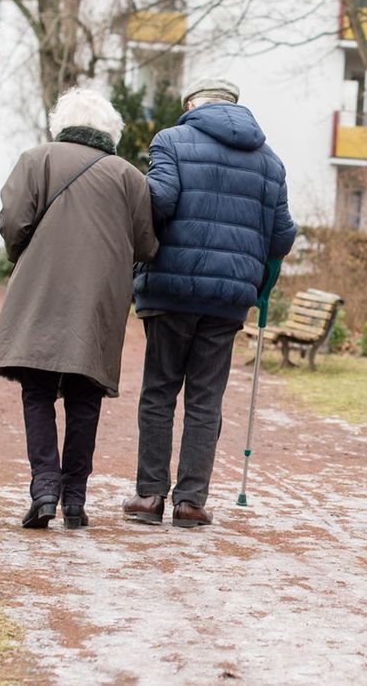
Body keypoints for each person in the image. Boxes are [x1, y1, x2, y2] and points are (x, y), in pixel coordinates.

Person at [123, 77, 296, 528]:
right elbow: (282, 237)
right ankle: (190, 502)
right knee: (206, 398)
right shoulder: (270, 161)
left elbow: (159, 201)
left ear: (191, 104)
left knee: (159, 391)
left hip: (170, 288)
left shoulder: (170, 141)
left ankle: (149, 496)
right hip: (227, 298)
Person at [0, 87, 158, 530]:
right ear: (111, 131)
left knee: (38, 389)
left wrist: (25, 254)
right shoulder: (129, 177)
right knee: (86, 395)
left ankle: (45, 488)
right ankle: (75, 499)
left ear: (61, 123)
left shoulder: (36, 159)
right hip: (100, 299)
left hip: (41, 288)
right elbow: (146, 245)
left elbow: (13, 222)